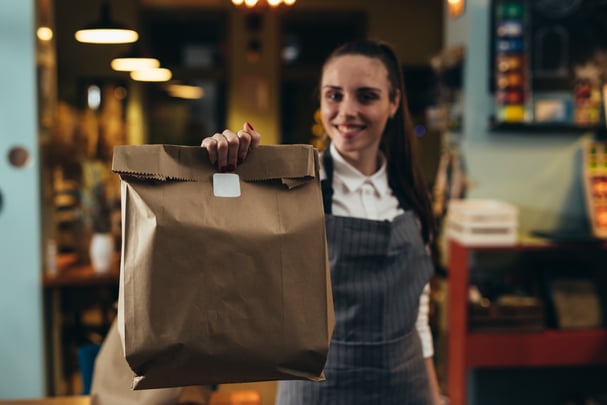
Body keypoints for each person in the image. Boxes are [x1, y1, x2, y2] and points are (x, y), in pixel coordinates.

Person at [201, 39, 442, 405]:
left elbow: (418, 317)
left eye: (366, 96)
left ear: (394, 102)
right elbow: (228, 256)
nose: (346, 111)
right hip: (318, 391)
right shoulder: (294, 187)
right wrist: (230, 170)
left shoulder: (412, 194)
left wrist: (435, 395)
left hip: (407, 388)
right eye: (334, 96)